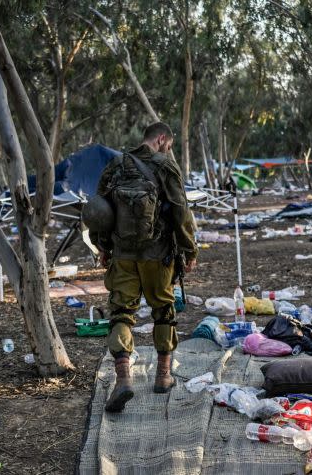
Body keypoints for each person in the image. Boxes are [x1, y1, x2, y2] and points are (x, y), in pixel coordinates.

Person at [89, 122, 198, 413]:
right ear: (162, 139)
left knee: (122, 313)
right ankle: (163, 375)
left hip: (123, 254)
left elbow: (99, 209)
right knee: (163, 308)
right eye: (169, 146)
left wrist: (102, 247)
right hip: (158, 253)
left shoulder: (116, 164)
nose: (168, 151)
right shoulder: (165, 166)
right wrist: (189, 249)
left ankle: (123, 378)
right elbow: (180, 210)